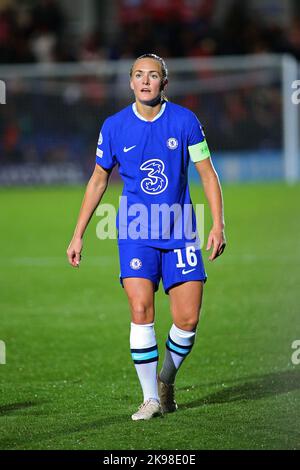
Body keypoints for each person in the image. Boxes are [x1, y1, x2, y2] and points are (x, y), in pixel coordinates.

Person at [67, 53, 226, 421]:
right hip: (136, 229)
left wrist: (218, 224)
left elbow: (207, 174)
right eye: (138, 75)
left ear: (164, 83)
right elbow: (98, 180)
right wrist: (78, 235)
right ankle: (150, 398)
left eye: (153, 75)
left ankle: (166, 379)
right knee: (141, 310)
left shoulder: (185, 121)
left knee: (187, 320)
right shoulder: (114, 126)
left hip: (181, 229)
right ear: (130, 82)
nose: (145, 81)